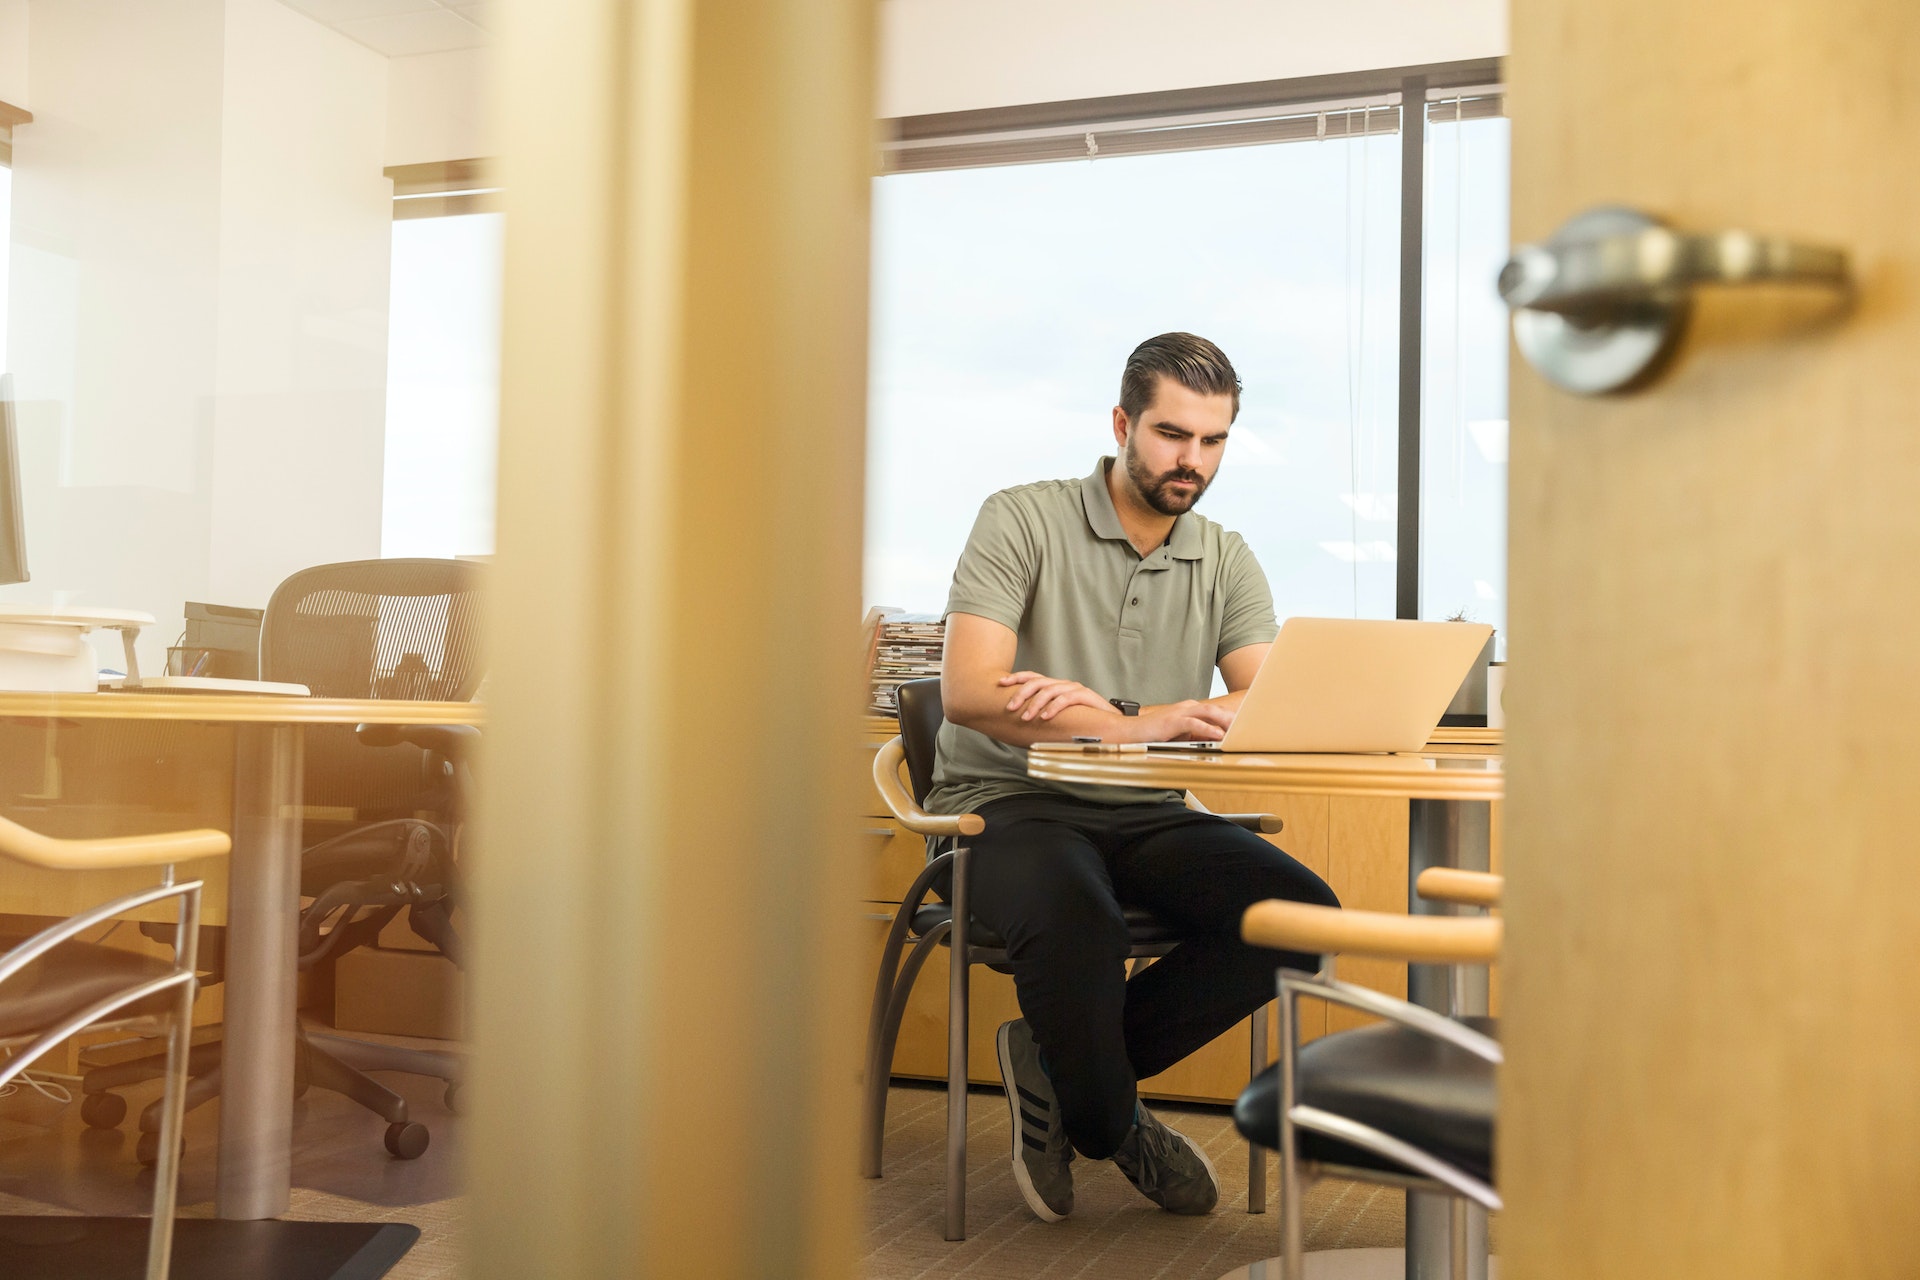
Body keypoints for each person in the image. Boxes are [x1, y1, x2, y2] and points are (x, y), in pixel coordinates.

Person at [926, 332, 1339, 1222]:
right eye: (1171, 434)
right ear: (1122, 422)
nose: (1192, 460)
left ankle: (1059, 1064)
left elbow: (1258, 706)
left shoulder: (1225, 556)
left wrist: (1123, 719)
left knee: (1300, 920)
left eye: (1213, 440)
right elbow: (967, 692)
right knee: (1078, 915)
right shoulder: (1022, 517)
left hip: (1149, 808)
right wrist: (1136, 720)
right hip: (1006, 800)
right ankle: (1117, 1124)